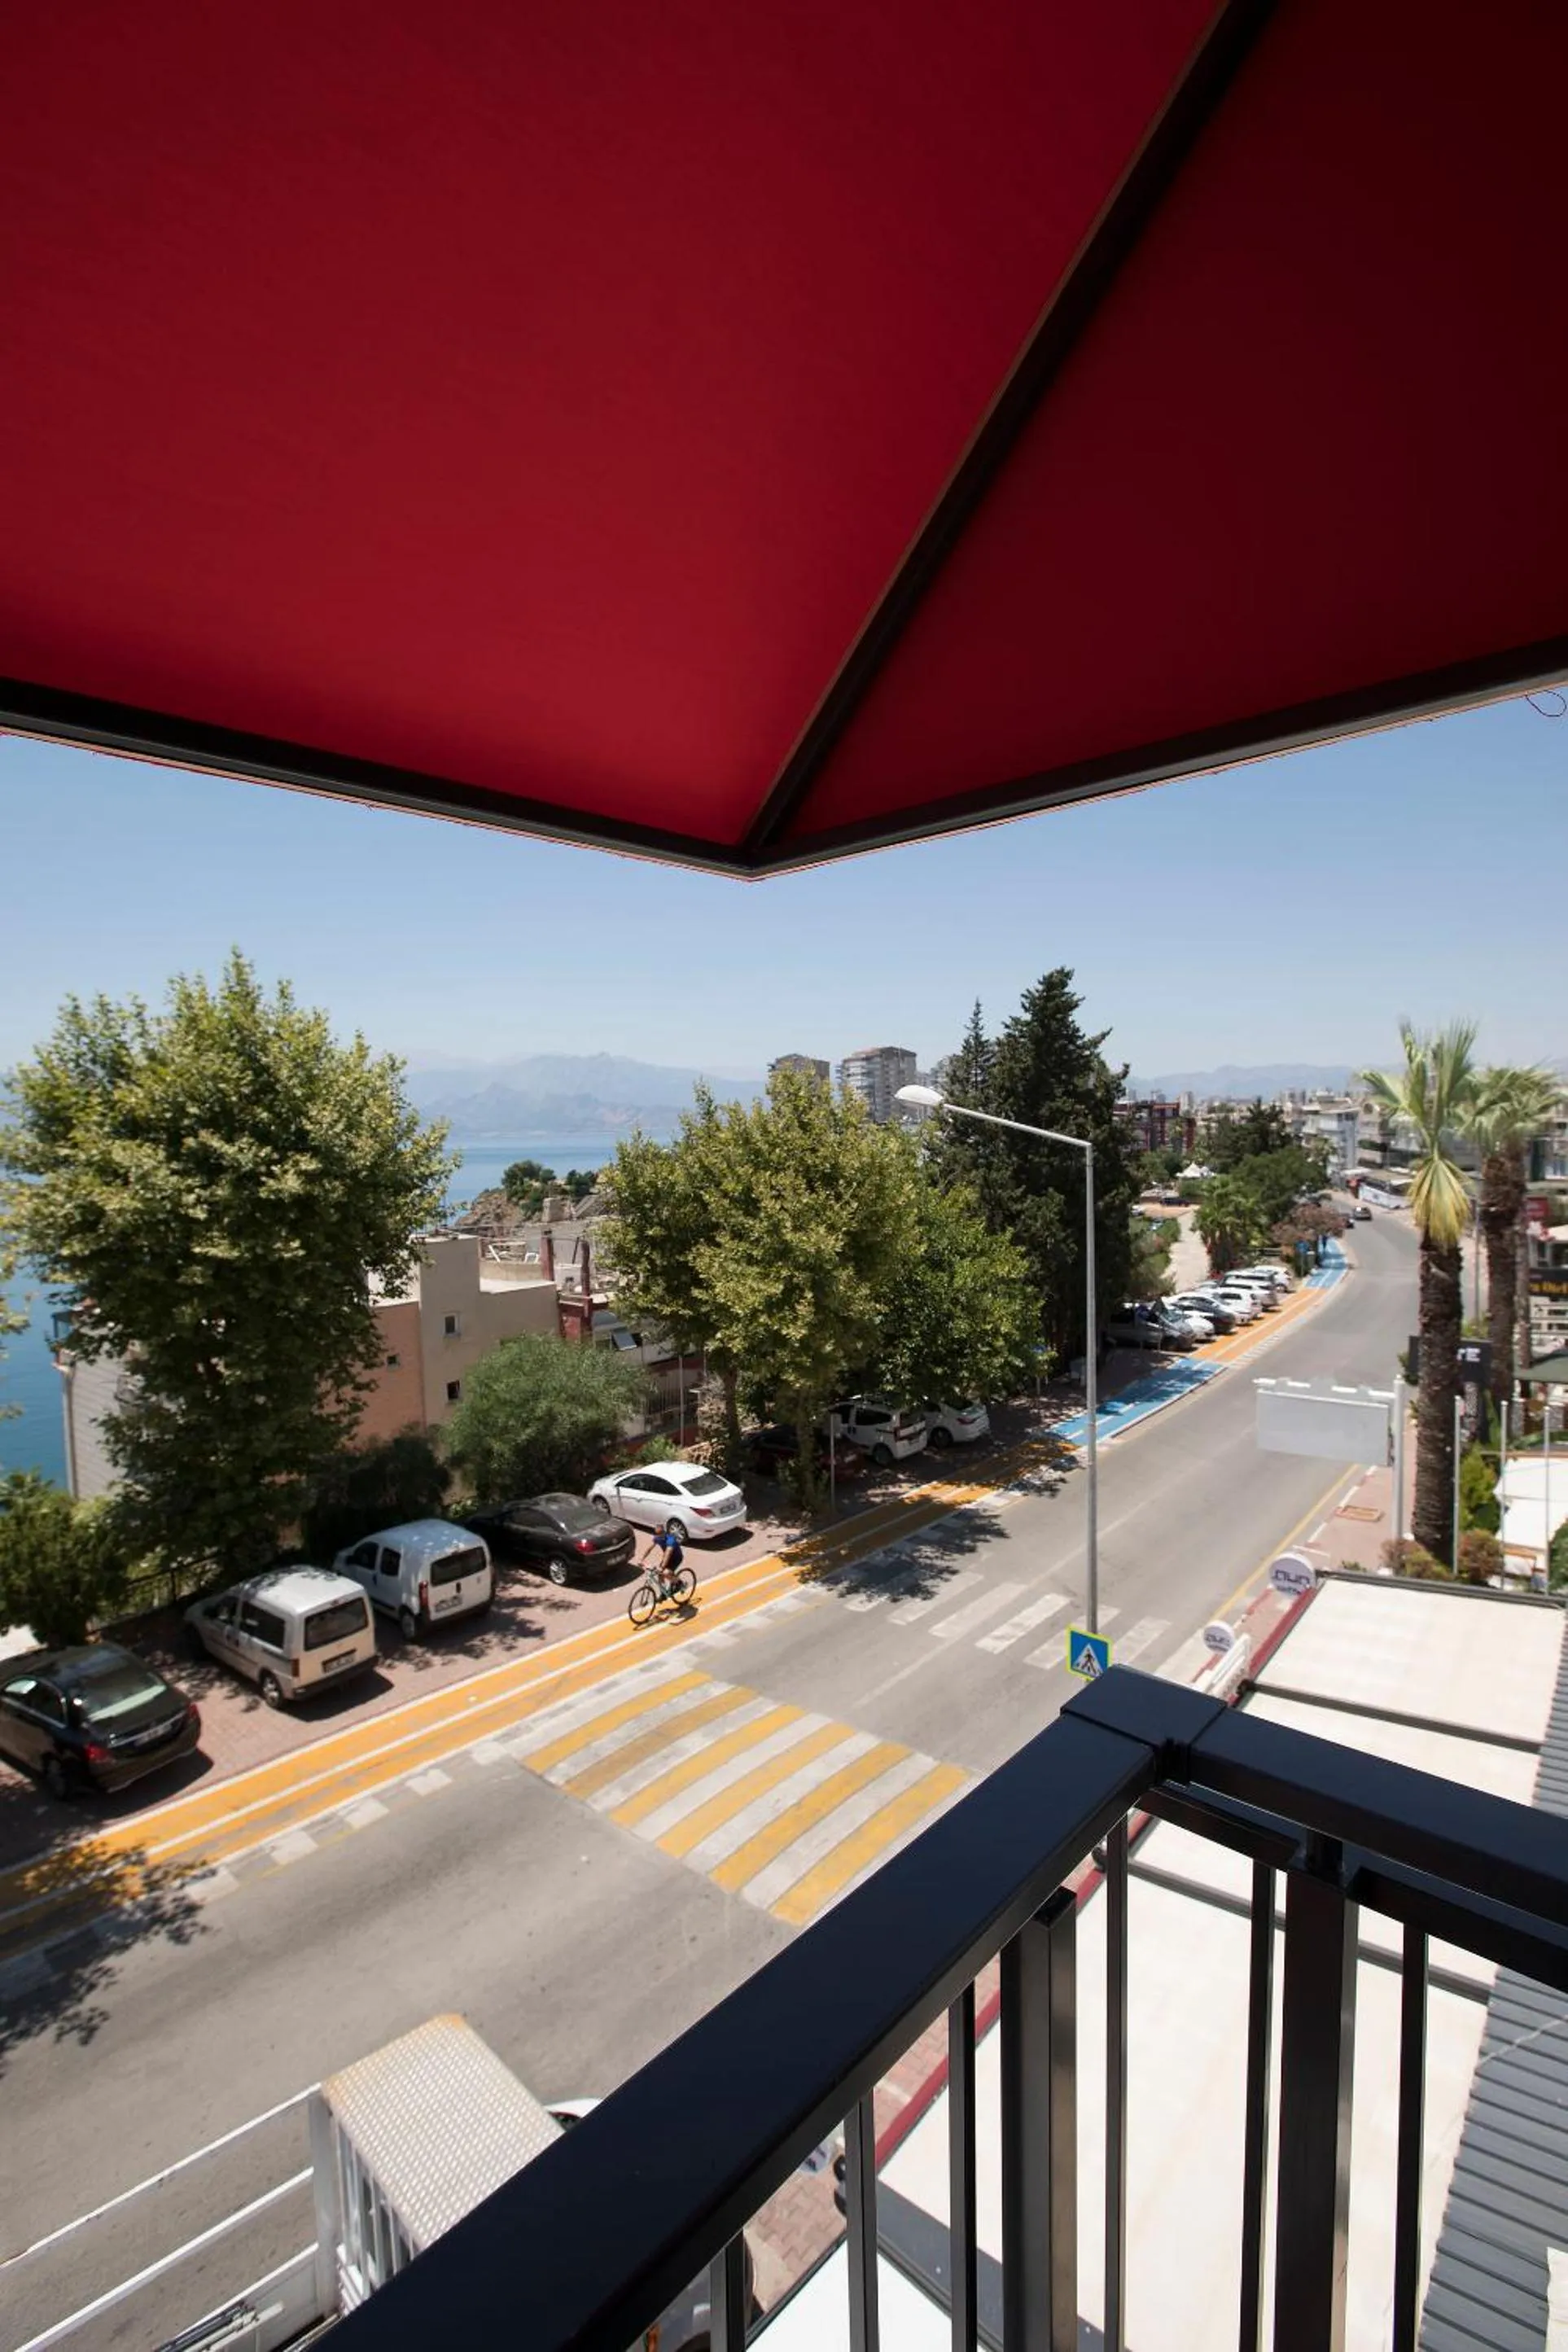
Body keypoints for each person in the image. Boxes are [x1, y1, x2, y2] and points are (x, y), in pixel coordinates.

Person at [647, 1521, 687, 1599]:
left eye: (660, 1534)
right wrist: (642, 1559)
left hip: (676, 1558)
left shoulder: (671, 1540)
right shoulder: (657, 1538)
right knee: (660, 1574)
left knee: (665, 1573)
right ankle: (663, 1593)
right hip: (666, 1557)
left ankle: (680, 1584)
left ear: (664, 1532)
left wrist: (662, 1567)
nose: (658, 1536)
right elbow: (649, 1549)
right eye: (657, 1534)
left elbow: (668, 1553)